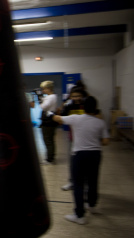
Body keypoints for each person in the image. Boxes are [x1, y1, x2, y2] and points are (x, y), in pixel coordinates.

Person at [51, 96, 109, 225]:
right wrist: (93, 140)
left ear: (83, 107)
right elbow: (106, 141)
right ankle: (92, 205)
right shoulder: (101, 122)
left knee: (78, 184)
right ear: (95, 108)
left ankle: (79, 215)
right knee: (93, 180)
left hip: (79, 155)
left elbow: (57, 119)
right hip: (95, 154)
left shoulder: (76, 118)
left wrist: (56, 111)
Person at [60, 86, 88, 191]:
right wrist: (64, 104)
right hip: (72, 138)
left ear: (82, 96)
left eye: (78, 96)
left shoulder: (86, 106)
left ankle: (85, 184)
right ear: (70, 96)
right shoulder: (69, 106)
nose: (76, 98)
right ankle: (72, 182)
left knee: (84, 163)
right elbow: (61, 116)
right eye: (74, 96)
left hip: (85, 139)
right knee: (72, 162)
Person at [39, 80, 58, 164]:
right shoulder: (52, 96)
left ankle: (49, 159)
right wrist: (41, 97)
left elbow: (43, 107)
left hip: (48, 120)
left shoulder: (50, 97)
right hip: (50, 119)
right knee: (50, 139)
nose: (43, 90)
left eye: (44, 89)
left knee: (47, 139)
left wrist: (40, 101)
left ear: (49, 88)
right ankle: (51, 156)